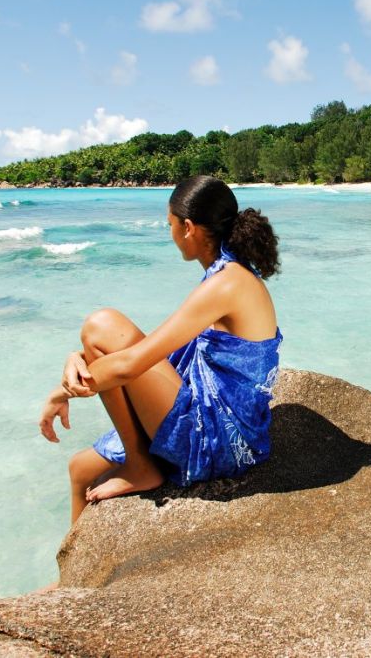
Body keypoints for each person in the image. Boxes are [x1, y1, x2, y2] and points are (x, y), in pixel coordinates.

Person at [37, 175, 282, 525]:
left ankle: (140, 465)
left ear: (187, 228)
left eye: (168, 225)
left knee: (100, 324)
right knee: (80, 471)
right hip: (208, 411)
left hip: (220, 439)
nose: (168, 234)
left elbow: (131, 363)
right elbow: (153, 348)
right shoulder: (227, 273)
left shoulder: (227, 283)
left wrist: (61, 393)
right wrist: (80, 357)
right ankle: (69, 577)